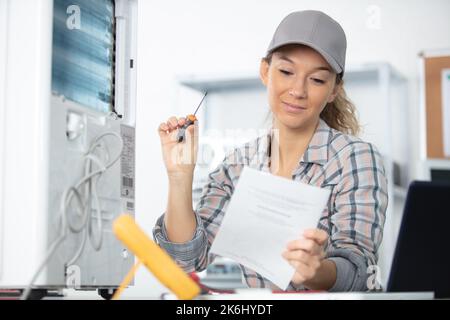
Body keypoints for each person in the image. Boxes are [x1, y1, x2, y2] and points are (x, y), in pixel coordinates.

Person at [154, 10, 388, 292]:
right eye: (287, 72)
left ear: (334, 90)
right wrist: (180, 178)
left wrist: (317, 272)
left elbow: (363, 274)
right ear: (265, 71)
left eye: (317, 80)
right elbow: (188, 261)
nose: (298, 90)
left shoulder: (356, 160)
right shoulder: (236, 165)